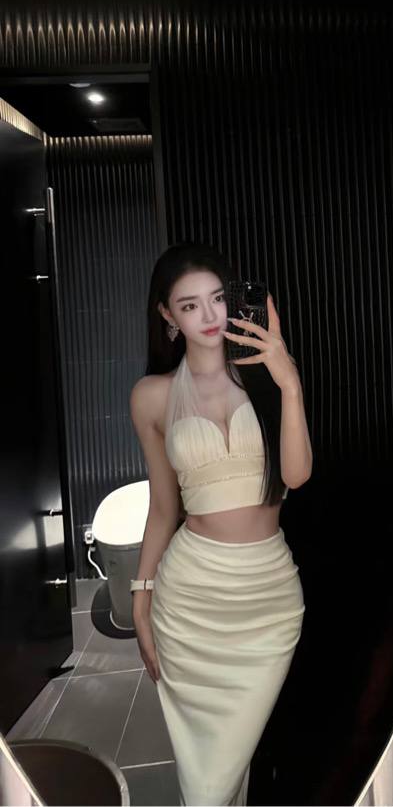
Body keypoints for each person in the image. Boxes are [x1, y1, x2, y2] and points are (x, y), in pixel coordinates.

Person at [129, 243, 312, 806]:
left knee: (233, 766)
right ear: (167, 315)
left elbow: (296, 476)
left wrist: (289, 384)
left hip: (268, 599)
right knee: (208, 784)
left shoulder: (264, 378)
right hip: (193, 601)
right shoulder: (152, 396)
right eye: (190, 306)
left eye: (217, 299)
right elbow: (164, 509)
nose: (209, 316)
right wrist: (140, 598)